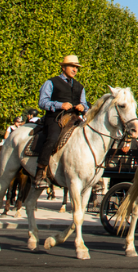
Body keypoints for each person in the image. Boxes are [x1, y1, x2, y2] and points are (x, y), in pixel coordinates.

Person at [34, 55, 90, 188]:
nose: (75, 70)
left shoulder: (80, 87)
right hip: (55, 118)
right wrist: (60, 105)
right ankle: (40, 171)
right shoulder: (51, 82)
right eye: (72, 66)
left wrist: (83, 107)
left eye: (76, 67)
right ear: (63, 67)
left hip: (75, 119)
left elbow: (85, 105)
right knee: (53, 138)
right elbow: (42, 102)